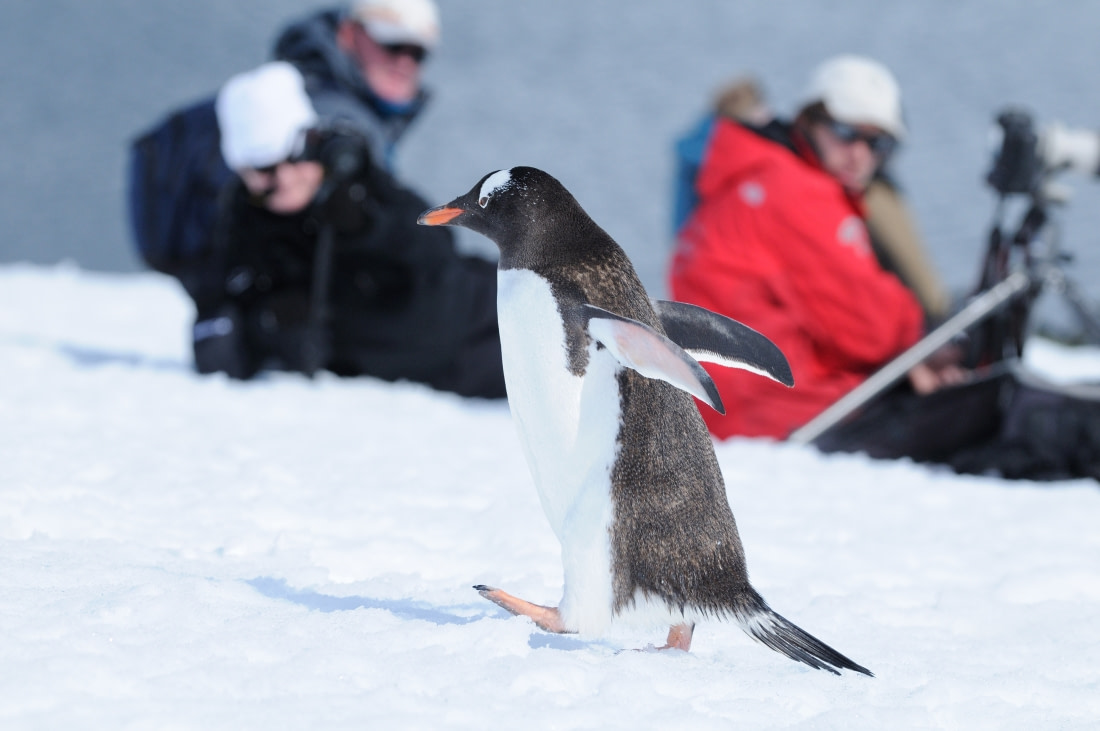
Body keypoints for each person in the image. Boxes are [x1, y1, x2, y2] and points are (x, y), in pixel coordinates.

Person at [191, 61, 506, 399]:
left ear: (312, 141)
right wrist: (269, 326)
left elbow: (439, 242)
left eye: (294, 157)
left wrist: (368, 227)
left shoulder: (354, 177)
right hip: (455, 371)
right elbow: (214, 334)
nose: (285, 180)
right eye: (265, 171)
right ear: (241, 172)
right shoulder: (242, 230)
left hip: (484, 306)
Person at [271, 0, 441, 172]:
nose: (405, 63)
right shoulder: (324, 113)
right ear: (349, 34)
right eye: (393, 46)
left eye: (418, 54)